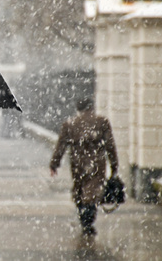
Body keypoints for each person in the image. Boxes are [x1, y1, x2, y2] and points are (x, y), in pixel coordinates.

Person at [49, 97, 118, 236]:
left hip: (77, 163)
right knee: (92, 192)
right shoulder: (102, 122)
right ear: (91, 107)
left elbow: (61, 145)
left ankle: (83, 217)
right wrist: (114, 165)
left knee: (79, 189)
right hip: (97, 163)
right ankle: (88, 221)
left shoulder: (70, 124)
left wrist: (54, 164)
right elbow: (110, 146)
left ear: (78, 108)